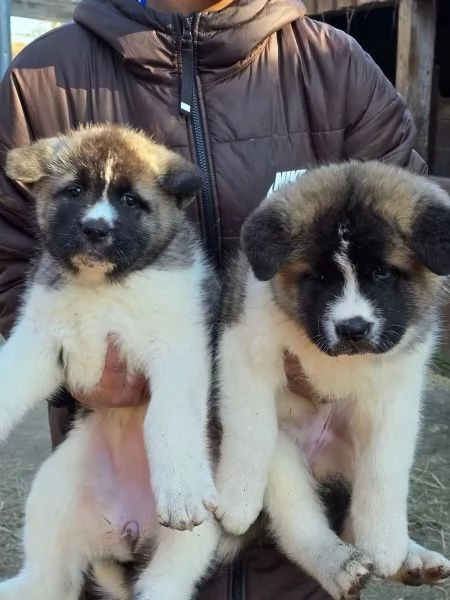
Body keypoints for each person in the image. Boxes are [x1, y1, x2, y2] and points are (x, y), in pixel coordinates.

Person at [0, 0, 427, 598]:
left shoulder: (337, 68)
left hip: (282, 533)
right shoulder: (42, 75)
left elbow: (419, 243)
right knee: (60, 498)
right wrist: (79, 366)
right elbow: (10, 258)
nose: (97, 221)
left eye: (127, 202)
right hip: (111, 457)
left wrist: (331, 351)